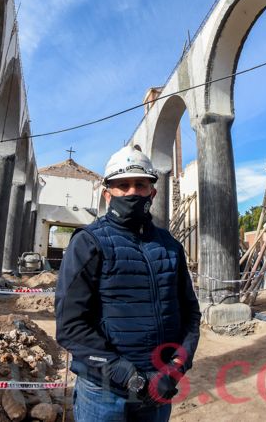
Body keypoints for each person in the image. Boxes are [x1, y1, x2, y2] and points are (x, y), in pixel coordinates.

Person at [56, 145, 201, 422]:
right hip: (104, 393)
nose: (132, 192)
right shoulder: (88, 243)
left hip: (159, 390)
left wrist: (175, 368)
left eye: (140, 184)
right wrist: (125, 374)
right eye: (123, 185)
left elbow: (190, 315)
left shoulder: (170, 246)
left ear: (153, 192)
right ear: (108, 193)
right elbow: (70, 326)